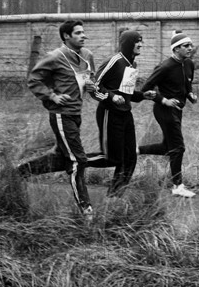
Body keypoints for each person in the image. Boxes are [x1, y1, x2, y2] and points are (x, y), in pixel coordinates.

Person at [17, 20, 96, 217]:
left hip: (76, 114)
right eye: (78, 33)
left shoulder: (87, 56)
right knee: (78, 161)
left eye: (83, 32)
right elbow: (34, 80)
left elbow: (89, 80)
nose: (83, 36)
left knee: (60, 157)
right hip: (61, 115)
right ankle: (86, 210)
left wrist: (91, 87)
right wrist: (52, 96)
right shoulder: (55, 57)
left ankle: (18, 173)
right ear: (66, 36)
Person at [87, 30, 155, 197]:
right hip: (109, 113)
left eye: (141, 41)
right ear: (127, 44)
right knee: (112, 158)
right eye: (137, 41)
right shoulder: (114, 61)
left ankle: (114, 198)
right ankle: (76, 160)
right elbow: (93, 87)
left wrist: (143, 95)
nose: (141, 45)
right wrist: (111, 96)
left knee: (130, 158)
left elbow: (127, 93)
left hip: (125, 114)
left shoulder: (132, 65)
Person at [138, 30, 197, 198]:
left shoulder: (189, 64)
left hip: (177, 111)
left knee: (167, 148)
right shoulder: (165, 67)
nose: (190, 48)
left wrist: (190, 95)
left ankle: (133, 150)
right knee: (178, 147)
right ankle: (177, 186)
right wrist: (164, 100)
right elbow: (145, 89)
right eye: (186, 46)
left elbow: (187, 84)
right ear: (176, 49)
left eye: (190, 45)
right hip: (164, 110)